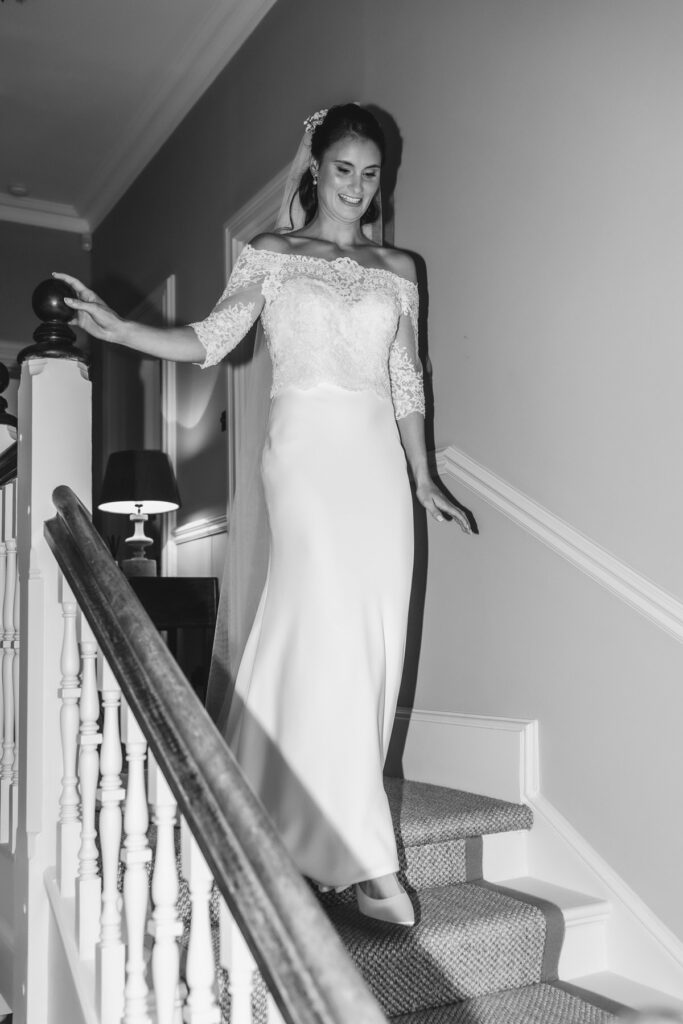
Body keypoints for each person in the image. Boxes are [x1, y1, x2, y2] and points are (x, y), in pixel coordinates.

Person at [55, 103, 472, 927]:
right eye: (342, 168)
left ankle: (300, 828)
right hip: (306, 456)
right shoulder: (272, 254)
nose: (356, 187)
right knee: (325, 625)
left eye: (370, 173)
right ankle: (365, 858)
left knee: (368, 642)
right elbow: (212, 338)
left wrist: (422, 476)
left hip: (377, 467)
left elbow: (407, 381)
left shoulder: (399, 266)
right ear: (314, 168)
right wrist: (122, 328)